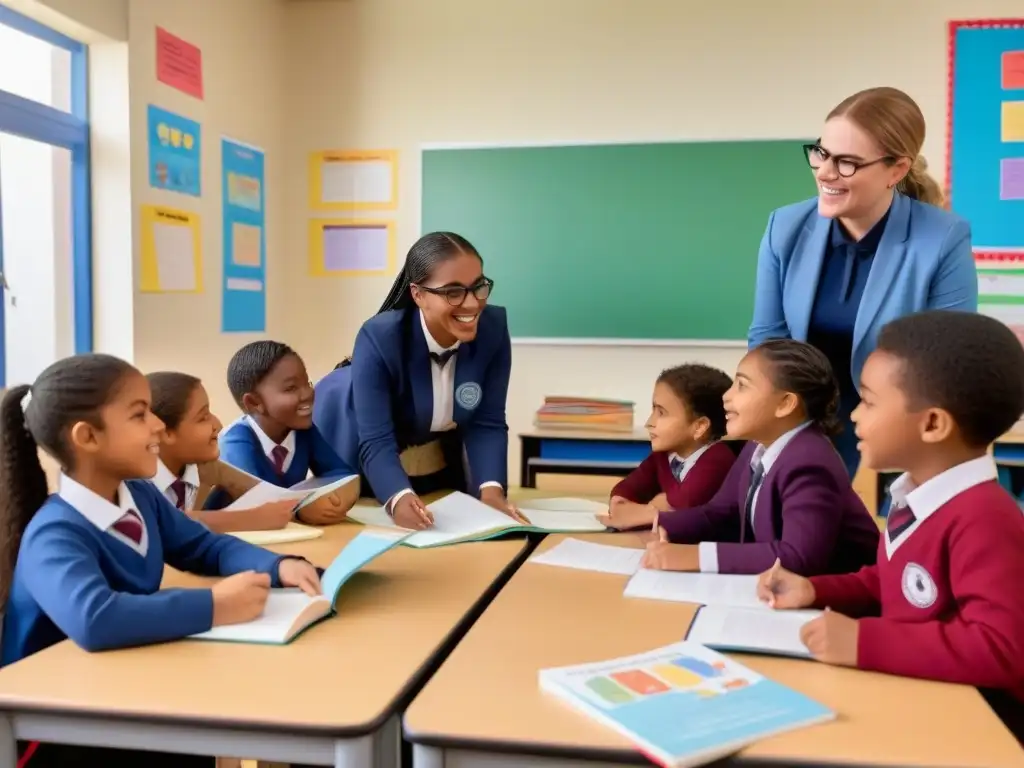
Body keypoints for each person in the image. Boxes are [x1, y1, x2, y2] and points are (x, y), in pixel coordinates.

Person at [0, 354, 321, 768]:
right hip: (56, 732)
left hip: (122, 691)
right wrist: (215, 606)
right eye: (139, 415)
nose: (156, 425)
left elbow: (206, 548)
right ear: (87, 437)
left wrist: (278, 567)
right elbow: (96, 619)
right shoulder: (54, 533)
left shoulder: (140, 495)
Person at [756, 311, 1024, 740]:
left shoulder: (984, 519)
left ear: (933, 424)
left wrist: (864, 641)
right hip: (919, 696)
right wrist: (816, 589)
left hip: (980, 729)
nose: (855, 416)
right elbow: (890, 582)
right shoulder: (914, 498)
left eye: (869, 401)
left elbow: (1000, 649)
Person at [748, 87, 977, 478]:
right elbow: (768, 341)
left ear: (897, 170)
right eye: (821, 153)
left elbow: (949, 360)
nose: (825, 172)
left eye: (848, 162)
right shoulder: (784, 227)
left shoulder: (942, 237)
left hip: (903, 422)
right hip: (801, 418)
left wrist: (878, 424)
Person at [314, 232, 521, 531]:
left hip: (435, 460)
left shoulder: (493, 329)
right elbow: (376, 439)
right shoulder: (380, 337)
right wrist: (398, 498)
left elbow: (486, 422)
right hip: (371, 461)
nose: (472, 303)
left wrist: (491, 491)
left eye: (478, 287)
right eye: (453, 292)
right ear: (418, 295)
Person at [642, 339, 878, 575]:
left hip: (841, 603)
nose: (726, 396)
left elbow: (798, 557)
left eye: (742, 386)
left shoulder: (809, 462)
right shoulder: (756, 447)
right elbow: (720, 514)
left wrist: (696, 557)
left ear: (785, 404)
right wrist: (658, 524)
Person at [148, 371, 312, 532]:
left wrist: (305, 506)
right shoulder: (132, 479)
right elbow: (160, 522)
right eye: (203, 417)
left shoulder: (204, 467)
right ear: (166, 433)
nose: (218, 425)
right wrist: (248, 519)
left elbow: (265, 495)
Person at [219, 341, 358, 525]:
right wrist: (302, 509)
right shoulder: (236, 443)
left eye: (307, 383)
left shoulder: (303, 431)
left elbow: (342, 474)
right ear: (254, 403)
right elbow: (258, 500)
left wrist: (338, 499)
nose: (307, 393)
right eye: (291, 388)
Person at [599, 363, 736, 531]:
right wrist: (620, 502)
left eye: (661, 413)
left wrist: (649, 510)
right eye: (653, 410)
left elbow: (683, 504)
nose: (649, 423)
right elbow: (631, 486)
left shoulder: (719, 458)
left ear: (699, 427)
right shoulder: (663, 455)